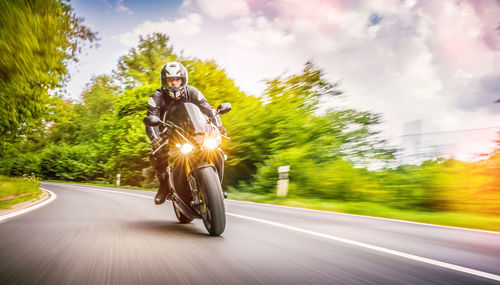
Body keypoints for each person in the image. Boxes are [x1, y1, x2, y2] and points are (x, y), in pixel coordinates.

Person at [146, 61, 225, 205]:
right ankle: (163, 185)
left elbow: (209, 109)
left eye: (177, 79)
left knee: (215, 149)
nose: (174, 83)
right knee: (158, 154)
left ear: (183, 79)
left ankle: (216, 188)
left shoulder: (192, 92)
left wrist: (219, 126)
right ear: (165, 81)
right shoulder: (156, 97)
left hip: (193, 130)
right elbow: (151, 120)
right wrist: (156, 139)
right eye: (170, 80)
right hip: (168, 132)